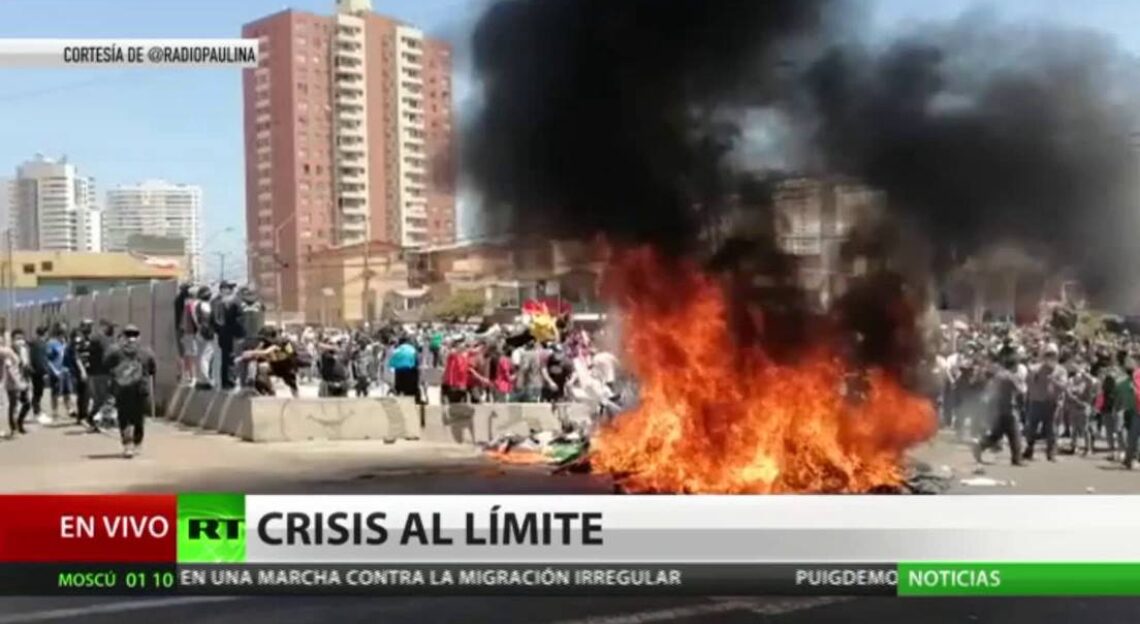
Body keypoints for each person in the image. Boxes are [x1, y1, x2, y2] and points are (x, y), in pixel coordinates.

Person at [105, 324, 156, 458]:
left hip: (123, 389)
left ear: (123, 336)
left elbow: (106, 365)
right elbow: (152, 370)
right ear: (139, 337)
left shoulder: (116, 352)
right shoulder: (146, 352)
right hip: (141, 389)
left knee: (124, 417)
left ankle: (128, 445)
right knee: (138, 418)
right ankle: (137, 443)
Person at [972, 350, 1025, 466]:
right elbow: (1021, 390)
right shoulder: (1011, 377)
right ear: (1014, 365)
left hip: (998, 408)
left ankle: (980, 445)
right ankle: (1017, 459)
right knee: (1015, 434)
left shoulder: (998, 375)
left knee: (997, 434)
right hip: (1009, 409)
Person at [1023, 343, 1065, 462]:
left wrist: (1054, 381)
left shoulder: (1060, 370)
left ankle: (1051, 453)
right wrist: (1032, 376)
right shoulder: (1035, 369)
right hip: (1036, 401)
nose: (1050, 357)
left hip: (1052, 404)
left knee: (1051, 429)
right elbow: (1028, 382)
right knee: (1031, 427)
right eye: (1048, 354)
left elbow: (1064, 386)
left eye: (1053, 355)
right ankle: (1029, 449)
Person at [65, 319, 96, 432]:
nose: (90, 328)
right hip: (81, 369)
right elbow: (77, 356)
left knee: (84, 393)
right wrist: (82, 370)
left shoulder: (88, 337)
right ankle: (82, 415)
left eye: (91, 326)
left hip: (88, 367)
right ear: (83, 326)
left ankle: (82, 415)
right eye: (88, 326)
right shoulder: (79, 337)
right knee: (84, 392)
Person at [0, 330, 32, 436]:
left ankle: (19, 423)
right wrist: (17, 383)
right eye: (17, 339)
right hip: (13, 382)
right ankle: (13, 428)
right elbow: (9, 368)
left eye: (21, 338)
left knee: (27, 403)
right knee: (14, 405)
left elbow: (25, 364)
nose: (20, 341)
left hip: (23, 380)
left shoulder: (23, 350)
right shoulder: (8, 352)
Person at [88, 320, 116, 425]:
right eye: (111, 327)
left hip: (98, 373)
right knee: (105, 398)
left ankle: (94, 418)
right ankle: (98, 418)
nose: (113, 330)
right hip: (102, 373)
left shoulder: (99, 339)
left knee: (101, 398)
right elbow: (107, 356)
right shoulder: (102, 340)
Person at [193, 285, 216, 389]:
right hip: (206, 334)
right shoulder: (206, 306)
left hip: (200, 333)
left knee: (202, 356)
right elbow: (207, 321)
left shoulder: (197, 305)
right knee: (205, 357)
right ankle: (205, 379)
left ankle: (202, 379)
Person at [47, 324, 71, 419]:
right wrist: (54, 370)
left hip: (65, 370)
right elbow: (48, 359)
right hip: (56, 371)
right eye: (62, 331)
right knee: (55, 392)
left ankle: (68, 410)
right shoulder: (52, 343)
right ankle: (55, 411)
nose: (64, 333)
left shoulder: (65, 342)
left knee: (67, 391)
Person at [27, 325, 50, 425]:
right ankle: (37, 412)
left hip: (35, 371)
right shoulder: (40, 344)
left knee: (37, 392)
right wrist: (45, 372)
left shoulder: (36, 343)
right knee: (38, 392)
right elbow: (41, 359)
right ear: (44, 333)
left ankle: (37, 410)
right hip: (38, 372)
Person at [388, 336, 420, 401]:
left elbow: (391, 363)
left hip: (399, 372)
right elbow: (416, 361)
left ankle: (398, 390)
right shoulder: (412, 349)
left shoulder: (397, 350)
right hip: (410, 371)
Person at [441, 338, 471, 403]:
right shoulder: (453, 355)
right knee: (452, 404)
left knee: (460, 405)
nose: (464, 346)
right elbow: (450, 371)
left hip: (461, 386)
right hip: (452, 385)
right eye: (461, 344)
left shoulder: (465, 355)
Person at [174, 282, 193, 382]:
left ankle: (181, 373)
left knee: (181, 352)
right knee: (186, 352)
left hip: (179, 328)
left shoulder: (177, 299)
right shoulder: (186, 301)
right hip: (184, 329)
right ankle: (187, 374)